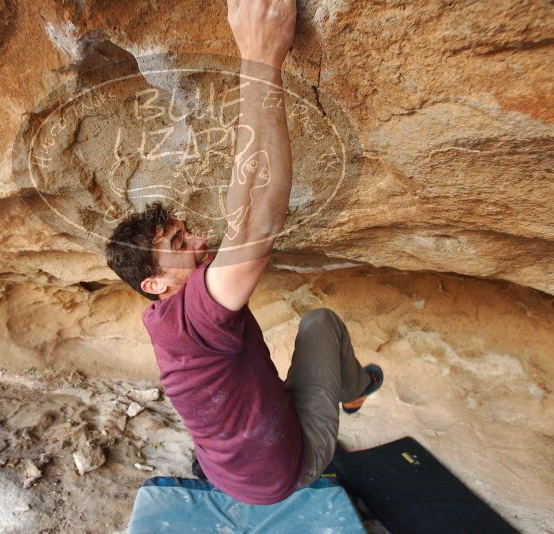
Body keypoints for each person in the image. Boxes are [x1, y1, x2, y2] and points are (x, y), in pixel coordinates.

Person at [105, 0, 382, 505]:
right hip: (286, 470)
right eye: (179, 245)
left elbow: (241, 210)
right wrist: (260, 59)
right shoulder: (197, 314)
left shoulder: (167, 317)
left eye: (187, 233)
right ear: (155, 284)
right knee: (321, 323)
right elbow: (260, 222)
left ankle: (340, 396)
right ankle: (357, 389)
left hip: (228, 470)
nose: (200, 242)